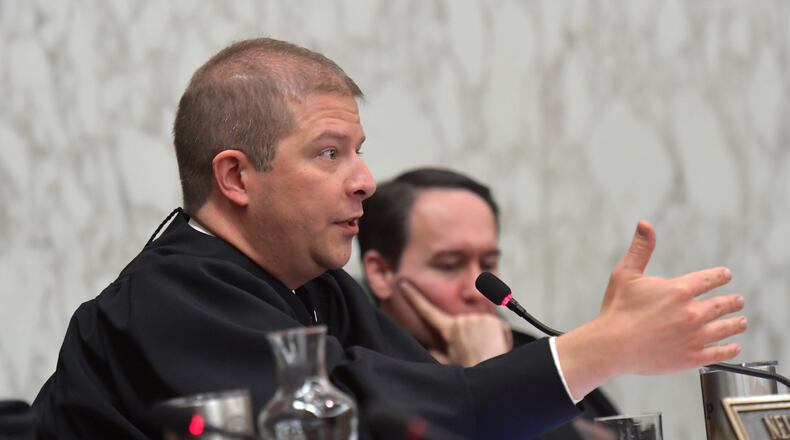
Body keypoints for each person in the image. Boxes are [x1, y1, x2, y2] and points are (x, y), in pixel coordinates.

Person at [33, 37, 747, 439]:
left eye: (360, 150)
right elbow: (380, 424)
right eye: (329, 152)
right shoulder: (172, 295)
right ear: (236, 177)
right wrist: (602, 346)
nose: (366, 180)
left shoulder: (318, 289)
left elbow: (442, 399)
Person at [357, 167, 618, 439]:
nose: (477, 290)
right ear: (381, 273)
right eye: (449, 266)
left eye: (488, 264)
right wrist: (492, 373)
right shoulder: (361, 379)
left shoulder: (532, 353)